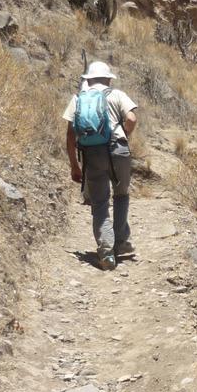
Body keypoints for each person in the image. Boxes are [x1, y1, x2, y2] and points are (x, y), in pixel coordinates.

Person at [63, 61, 138, 270]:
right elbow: (132, 118)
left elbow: (70, 135)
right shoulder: (117, 94)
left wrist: (74, 165)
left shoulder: (78, 99)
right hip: (119, 150)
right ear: (107, 79)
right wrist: (124, 135)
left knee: (100, 203)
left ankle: (106, 251)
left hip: (92, 153)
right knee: (121, 194)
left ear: (88, 79)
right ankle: (121, 242)